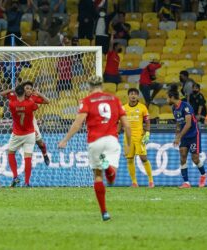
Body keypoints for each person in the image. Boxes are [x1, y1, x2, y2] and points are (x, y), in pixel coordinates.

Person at [58, 76, 131, 221]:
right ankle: (108, 168)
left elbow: (78, 123)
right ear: (102, 86)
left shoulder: (87, 100)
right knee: (111, 179)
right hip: (112, 140)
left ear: (90, 87)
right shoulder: (114, 99)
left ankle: (104, 212)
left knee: (98, 176)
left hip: (95, 141)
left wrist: (65, 140)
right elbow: (127, 125)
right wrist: (128, 144)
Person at [167, 84, 207, 188]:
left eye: (167, 97)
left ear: (171, 97)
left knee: (195, 159)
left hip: (194, 134)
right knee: (183, 156)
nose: (166, 99)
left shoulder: (186, 106)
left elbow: (188, 124)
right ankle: (186, 183)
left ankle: (203, 175)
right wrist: (177, 134)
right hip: (184, 136)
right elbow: (178, 123)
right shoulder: (174, 108)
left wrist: (179, 136)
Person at [0, 84, 39, 187]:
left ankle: (15, 176)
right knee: (28, 158)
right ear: (24, 93)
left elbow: (2, 94)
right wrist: (32, 95)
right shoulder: (30, 103)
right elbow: (36, 106)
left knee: (11, 153)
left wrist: (13, 90)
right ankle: (26, 182)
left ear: (16, 93)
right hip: (30, 134)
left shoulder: (12, 104)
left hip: (17, 134)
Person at [122, 88, 154, 188]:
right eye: (131, 94)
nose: (133, 96)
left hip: (139, 136)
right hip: (127, 137)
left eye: (135, 94)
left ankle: (151, 181)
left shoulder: (142, 107)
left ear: (138, 96)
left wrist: (147, 133)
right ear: (128, 96)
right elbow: (120, 122)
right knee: (130, 159)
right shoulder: (123, 108)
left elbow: (147, 121)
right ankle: (134, 182)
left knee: (143, 158)